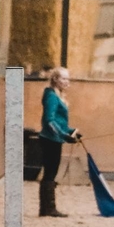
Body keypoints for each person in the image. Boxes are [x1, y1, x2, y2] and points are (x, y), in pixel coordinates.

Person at [38, 66, 81, 217]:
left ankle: (47, 208)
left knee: (51, 173)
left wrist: (71, 131)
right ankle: (48, 208)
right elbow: (49, 120)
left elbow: (59, 122)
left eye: (67, 78)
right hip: (50, 139)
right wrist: (64, 135)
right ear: (55, 80)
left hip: (55, 138)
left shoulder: (57, 95)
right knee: (50, 173)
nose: (66, 81)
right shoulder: (51, 96)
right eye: (63, 78)